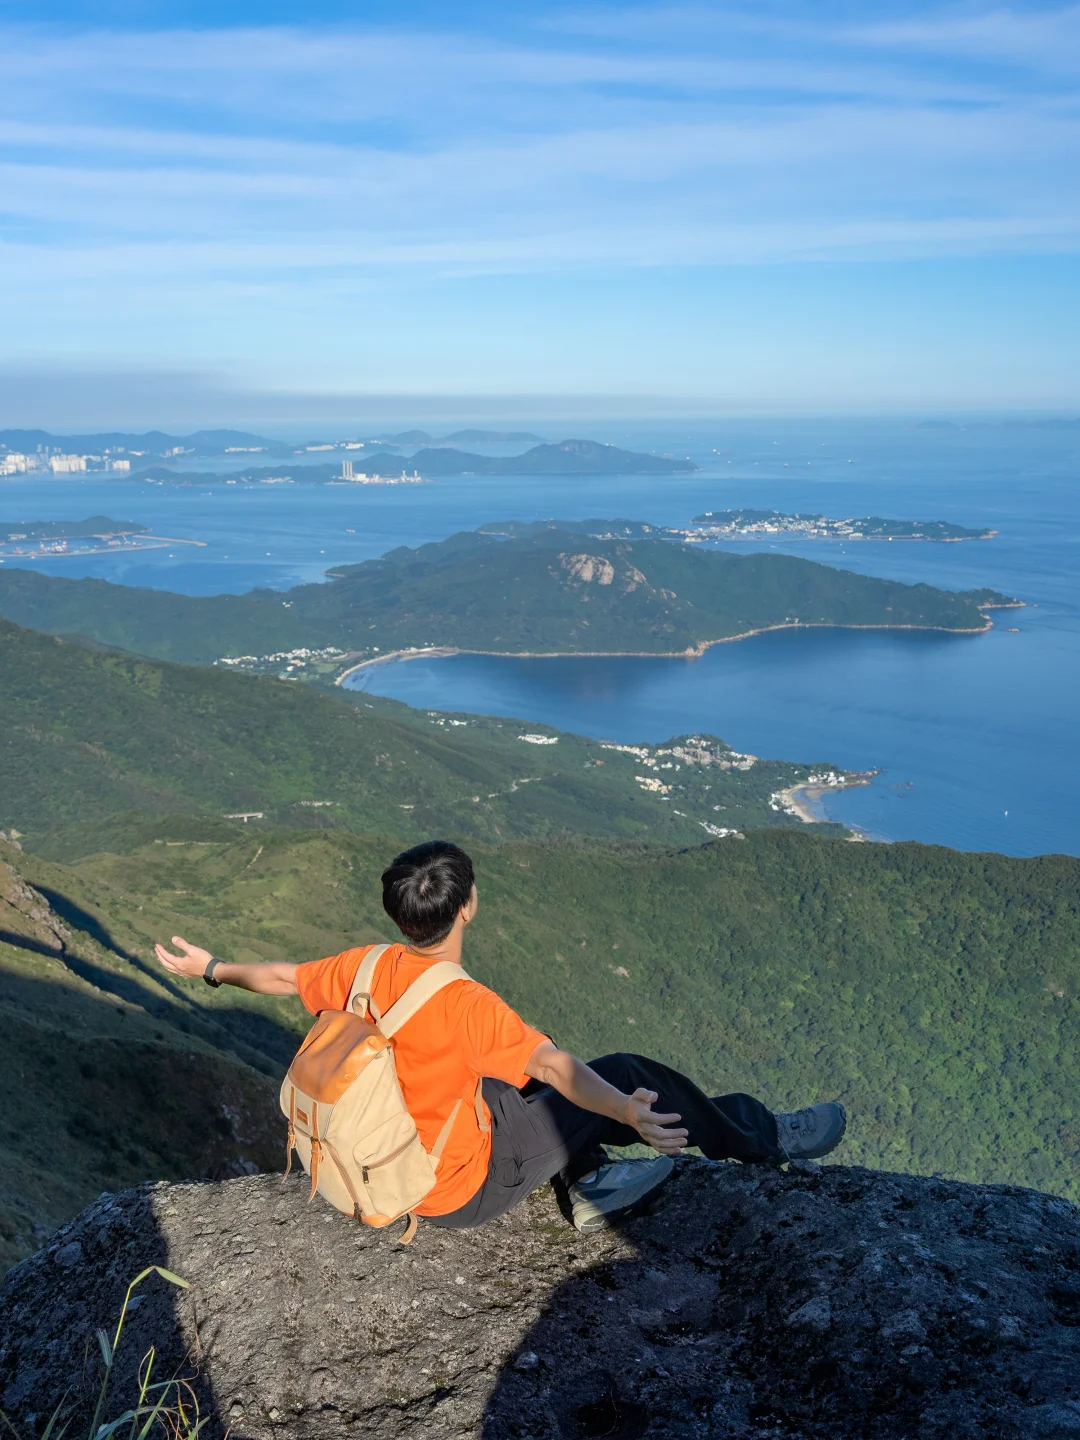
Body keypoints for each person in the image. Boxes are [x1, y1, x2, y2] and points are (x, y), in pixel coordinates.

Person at [155, 840, 846, 1233]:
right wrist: (629, 1110)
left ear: (400, 919)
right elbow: (556, 1068)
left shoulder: (363, 966)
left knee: (504, 1073)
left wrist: (211, 968)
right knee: (626, 1069)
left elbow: (278, 975)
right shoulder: (466, 1005)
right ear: (467, 908)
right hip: (460, 1189)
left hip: (390, 1155)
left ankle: (591, 1176)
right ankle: (765, 1138)